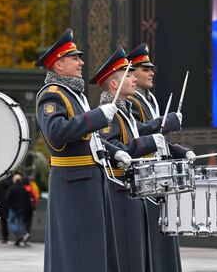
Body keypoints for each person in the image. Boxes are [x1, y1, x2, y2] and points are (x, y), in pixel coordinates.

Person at [35, 28, 129, 272]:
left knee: (93, 251)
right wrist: (97, 117)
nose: (81, 62)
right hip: (73, 183)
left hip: (88, 181)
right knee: (77, 252)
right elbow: (56, 133)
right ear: (58, 65)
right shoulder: (52, 95)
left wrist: (113, 150)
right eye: (74, 58)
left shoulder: (74, 94)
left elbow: (89, 140)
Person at [90, 46, 184, 272]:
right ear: (114, 84)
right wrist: (154, 137)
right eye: (129, 74)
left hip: (135, 189)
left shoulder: (125, 109)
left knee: (139, 253)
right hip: (121, 189)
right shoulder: (109, 112)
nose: (133, 78)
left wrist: (177, 149)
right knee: (128, 252)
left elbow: (139, 134)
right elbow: (115, 145)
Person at [126, 43, 195, 272]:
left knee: (164, 235)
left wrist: (179, 151)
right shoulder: (130, 100)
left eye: (151, 68)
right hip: (144, 177)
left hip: (159, 177)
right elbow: (136, 134)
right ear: (132, 72)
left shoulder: (148, 100)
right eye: (145, 69)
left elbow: (156, 140)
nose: (151, 72)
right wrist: (165, 124)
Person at [5, 174, 31, 246]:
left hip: (13, 209)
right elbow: (27, 199)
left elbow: (7, 198)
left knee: (10, 222)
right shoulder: (23, 188)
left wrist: (10, 206)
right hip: (22, 209)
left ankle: (22, 235)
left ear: (14, 180)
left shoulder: (12, 188)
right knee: (20, 224)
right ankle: (22, 236)